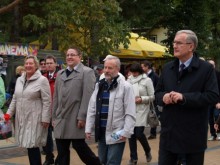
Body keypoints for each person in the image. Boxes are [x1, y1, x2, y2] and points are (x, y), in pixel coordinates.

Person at [155, 30, 219, 165]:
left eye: (179, 43)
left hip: (193, 135)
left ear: (191, 46)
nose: (174, 45)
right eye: (174, 42)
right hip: (169, 134)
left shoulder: (206, 69)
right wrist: (164, 97)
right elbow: (157, 93)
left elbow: (212, 96)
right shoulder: (167, 68)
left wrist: (184, 98)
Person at [52, 46, 101, 165]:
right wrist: (54, 116)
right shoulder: (60, 73)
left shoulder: (87, 72)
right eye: (68, 55)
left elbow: (87, 96)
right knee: (62, 151)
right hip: (60, 118)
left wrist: (83, 116)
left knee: (80, 147)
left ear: (79, 57)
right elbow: (56, 97)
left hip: (75, 117)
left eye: (72, 54)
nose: (69, 57)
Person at [85, 55, 136, 165]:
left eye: (110, 68)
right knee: (102, 161)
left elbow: (130, 111)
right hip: (101, 130)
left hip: (117, 132)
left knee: (112, 162)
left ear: (117, 69)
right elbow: (92, 107)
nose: (106, 71)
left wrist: (126, 131)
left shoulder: (126, 87)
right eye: (105, 67)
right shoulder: (99, 85)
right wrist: (88, 128)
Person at [5, 56, 51, 165]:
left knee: (33, 145)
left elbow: (47, 101)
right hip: (22, 118)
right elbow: (15, 98)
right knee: (28, 146)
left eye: (31, 63)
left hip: (35, 118)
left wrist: (45, 118)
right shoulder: (20, 80)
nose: (28, 65)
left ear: (36, 66)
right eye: (27, 63)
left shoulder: (42, 80)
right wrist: (8, 114)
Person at [127, 63, 154, 164]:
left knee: (138, 133)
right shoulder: (128, 80)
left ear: (140, 71)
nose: (133, 74)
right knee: (131, 135)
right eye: (132, 72)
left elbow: (152, 96)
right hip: (130, 109)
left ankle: (147, 150)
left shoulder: (147, 80)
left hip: (142, 110)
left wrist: (142, 99)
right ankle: (133, 158)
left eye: (135, 72)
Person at [42, 55, 59, 165]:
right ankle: (49, 157)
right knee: (46, 137)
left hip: (57, 111)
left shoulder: (60, 77)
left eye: (50, 63)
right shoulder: (42, 78)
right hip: (46, 112)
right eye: (46, 63)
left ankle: (60, 157)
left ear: (55, 64)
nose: (48, 65)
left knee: (59, 137)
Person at [141, 60, 159, 140]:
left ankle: (153, 133)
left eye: (142, 67)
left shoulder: (154, 76)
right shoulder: (142, 75)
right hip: (143, 99)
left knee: (152, 115)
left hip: (152, 99)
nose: (141, 68)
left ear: (147, 67)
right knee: (142, 115)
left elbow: (158, 87)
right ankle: (140, 133)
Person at [207, 60, 220, 141]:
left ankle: (219, 132)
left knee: (217, 116)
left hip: (217, 100)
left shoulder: (218, 74)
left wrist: (219, 101)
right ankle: (213, 134)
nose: (211, 66)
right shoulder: (205, 75)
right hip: (208, 101)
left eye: (212, 65)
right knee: (209, 118)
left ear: (214, 65)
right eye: (209, 65)